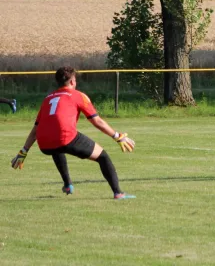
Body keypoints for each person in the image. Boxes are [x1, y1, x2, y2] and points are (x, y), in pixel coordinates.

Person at [10, 66, 136, 199]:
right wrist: (117, 136)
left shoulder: (48, 98)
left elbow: (36, 130)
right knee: (103, 157)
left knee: (56, 147)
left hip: (44, 143)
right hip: (66, 137)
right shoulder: (78, 95)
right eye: (75, 79)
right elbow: (97, 121)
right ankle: (118, 193)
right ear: (72, 82)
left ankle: (68, 184)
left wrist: (23, 151)